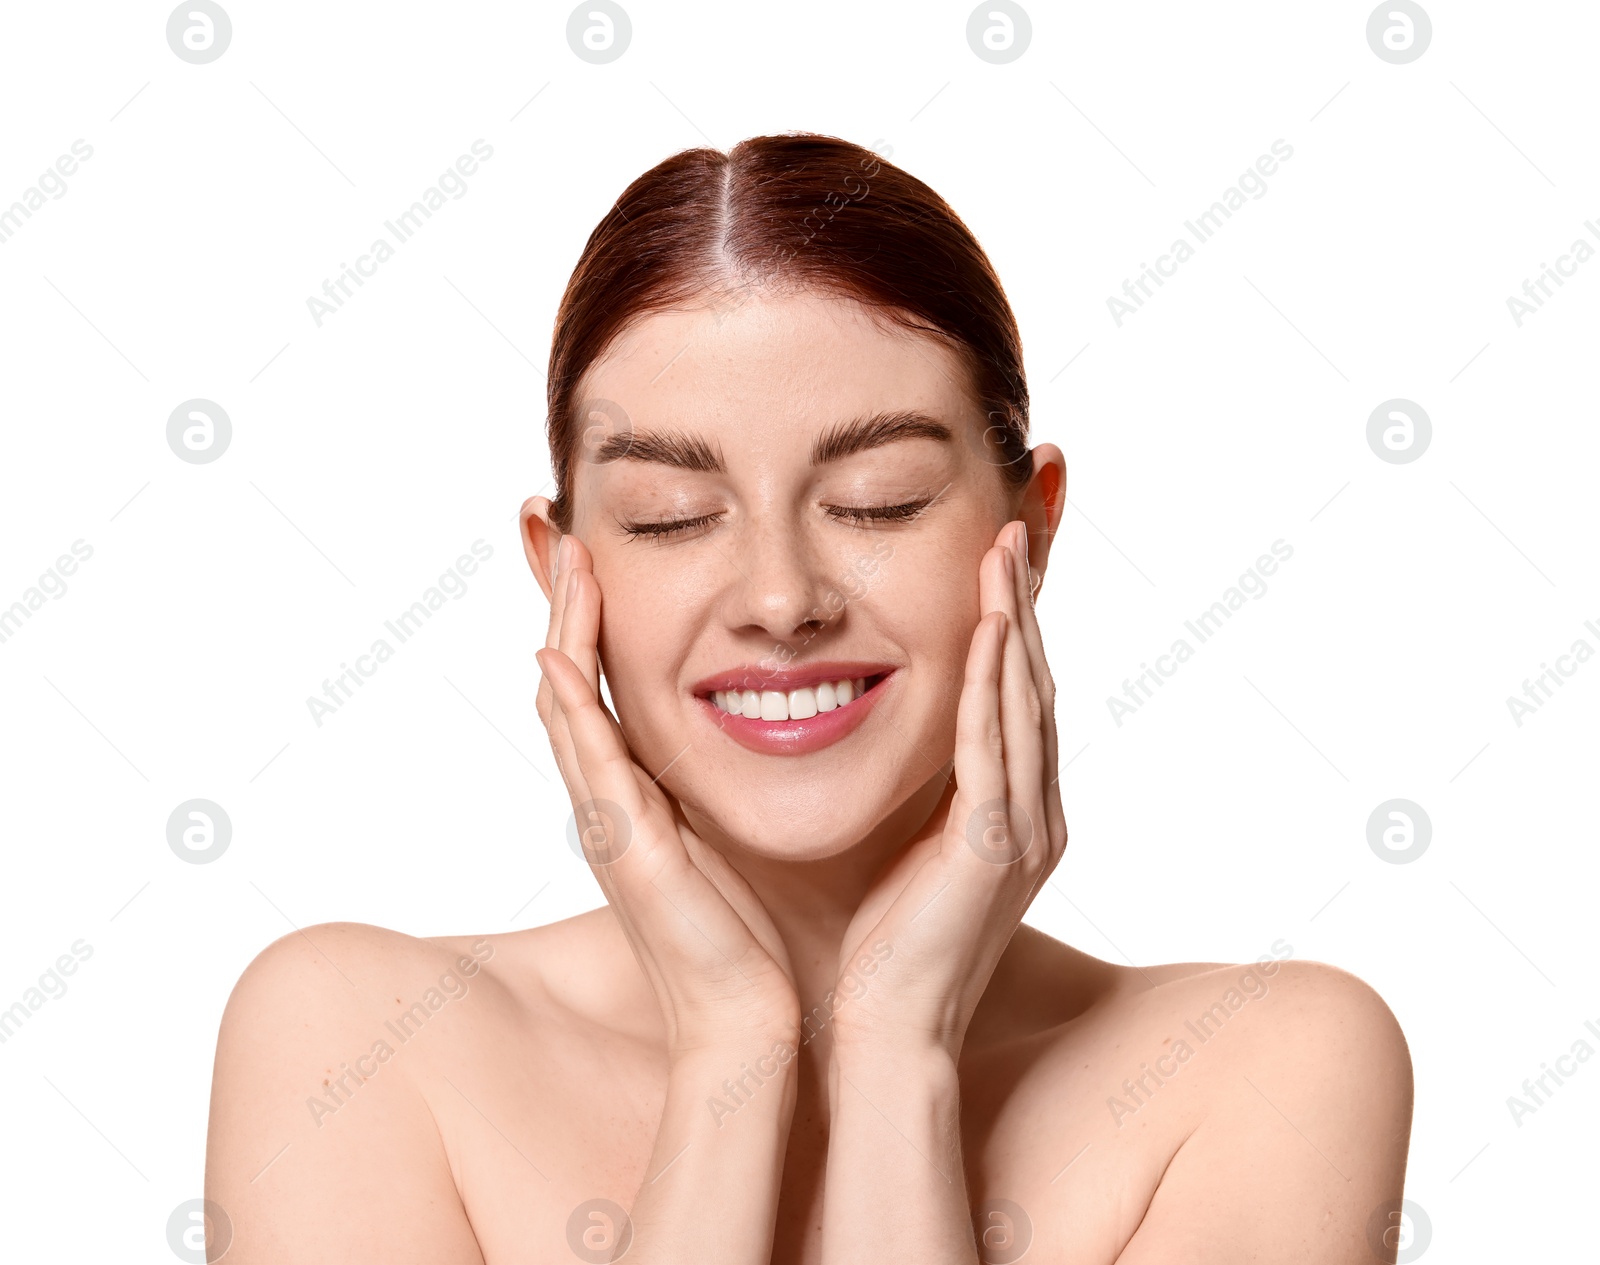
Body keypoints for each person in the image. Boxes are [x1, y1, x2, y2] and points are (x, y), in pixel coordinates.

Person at [205, 133, 1413, 1263]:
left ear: (1030, 526)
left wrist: (898, 1053)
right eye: (670, 516)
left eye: (878, 499)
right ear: (559, 564)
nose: (781, 600)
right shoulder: (358, 1044)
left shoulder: (1268, 1067)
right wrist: (732, 1039)